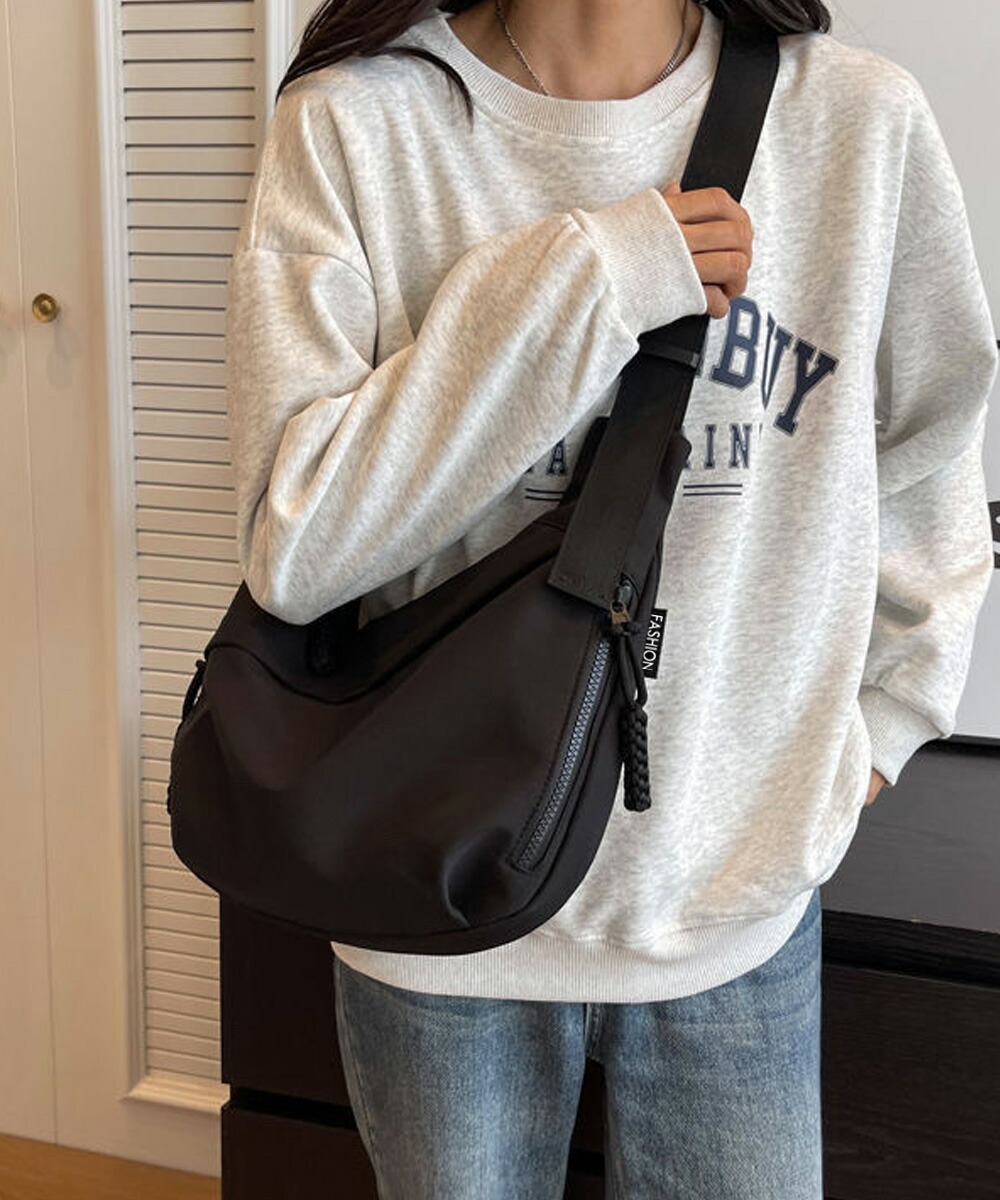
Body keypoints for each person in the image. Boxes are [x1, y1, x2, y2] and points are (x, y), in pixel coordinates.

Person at [223, 0, 998, 1195]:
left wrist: (880, 733)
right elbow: (299, 543)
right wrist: (593, 277)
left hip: (734, 912)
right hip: (433, 911)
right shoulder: (356, 123)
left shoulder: (853, 120)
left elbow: (934, 450)